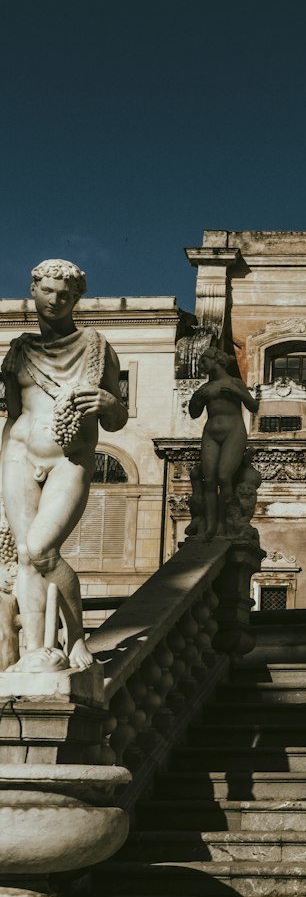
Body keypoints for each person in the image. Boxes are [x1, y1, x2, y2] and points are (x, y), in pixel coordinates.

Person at [1, 259, 127, 670]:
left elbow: (116, 418)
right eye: (48, 291)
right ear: (33, 290)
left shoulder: (95, 346)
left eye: (65, 295)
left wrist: (111, 404)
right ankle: (36, 652)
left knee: (42, 549)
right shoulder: (19, 350)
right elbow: (13, 416)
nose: (55, 300)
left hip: (70, 458)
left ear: (76, 300)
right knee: (23, 554)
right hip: (19, 455)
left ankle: (76, 636)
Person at [188, 347, 259, 540]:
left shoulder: (234, 382)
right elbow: (194, 413)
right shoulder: (204, 389)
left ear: (216, 360)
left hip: (233, 432)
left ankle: (223, 523)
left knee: (224, 476)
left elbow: (253, 406)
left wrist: (238, 392)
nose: (201, 365)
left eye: (204, 361)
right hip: (211, 432)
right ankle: (210, 527)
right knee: (209, 479)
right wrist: (196, 398)